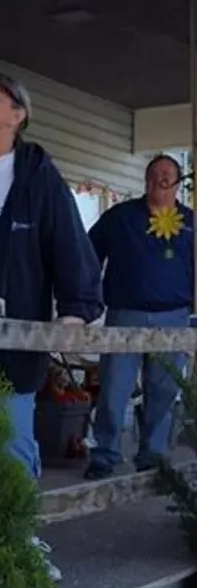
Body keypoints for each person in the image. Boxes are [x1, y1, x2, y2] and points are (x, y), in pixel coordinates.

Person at [0, 67, 103, 481]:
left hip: (9, 335)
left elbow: (71, 245)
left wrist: (74, 312)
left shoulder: (37, 176)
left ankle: (18, 540)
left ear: (18, 115)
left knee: (8, 442)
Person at [84, 154, 194, 479]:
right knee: (114, 390)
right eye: (156, 173)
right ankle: (104, 455)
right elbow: (87, 254)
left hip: (174, 318)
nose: (162, 178)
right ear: (146, 181)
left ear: (177, 183)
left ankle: (153, 457)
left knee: (162, 392)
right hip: (124, 315)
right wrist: (87, 298)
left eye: (168, 174)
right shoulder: (119, 217)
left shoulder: (191, 223)